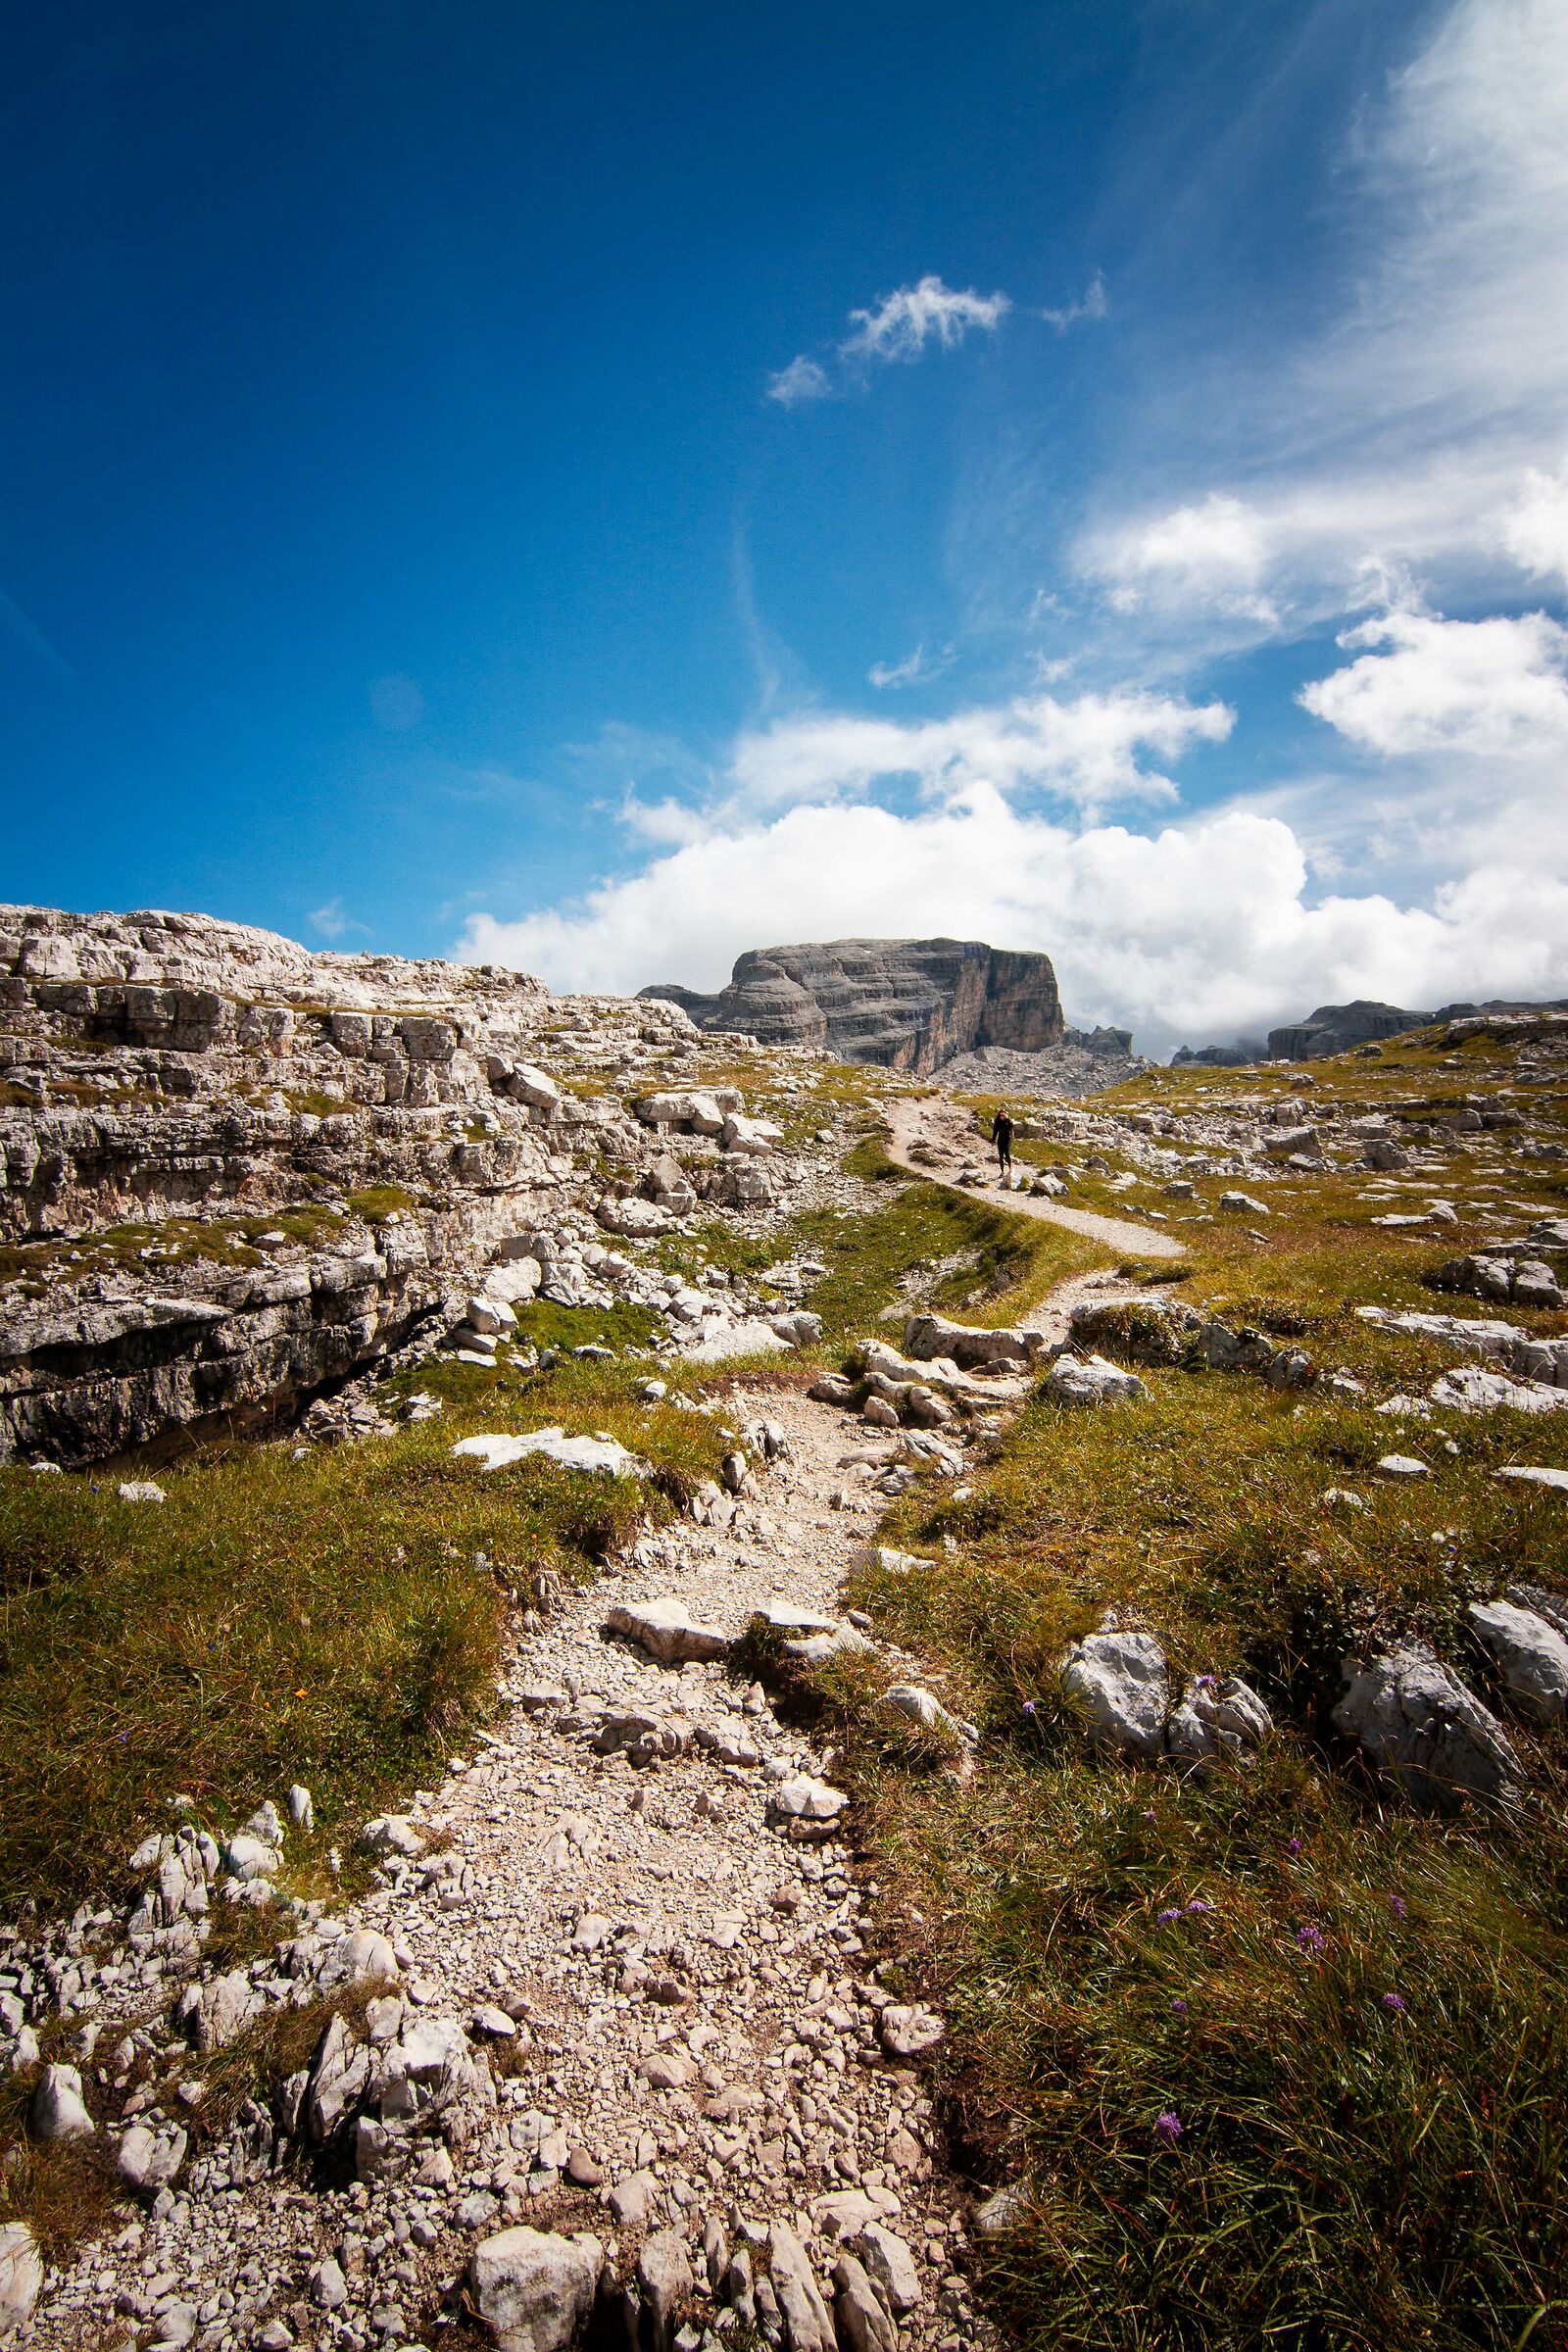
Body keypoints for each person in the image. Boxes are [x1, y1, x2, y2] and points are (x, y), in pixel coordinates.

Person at [992, 1102, 1015, 1184]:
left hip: (1008, 1139)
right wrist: (993, 1139)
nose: (1002, 1116)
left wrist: (1007, 1118)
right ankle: (1002, 1171)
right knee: (1001, 1155)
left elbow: (1011, 1126)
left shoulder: (1008, 1121)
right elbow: (995, 1131)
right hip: (1000, 1139)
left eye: (1003, 1115)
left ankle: (1010, 1169)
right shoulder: (998, 1122)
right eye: (1000, 1115)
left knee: (1007, 1154)